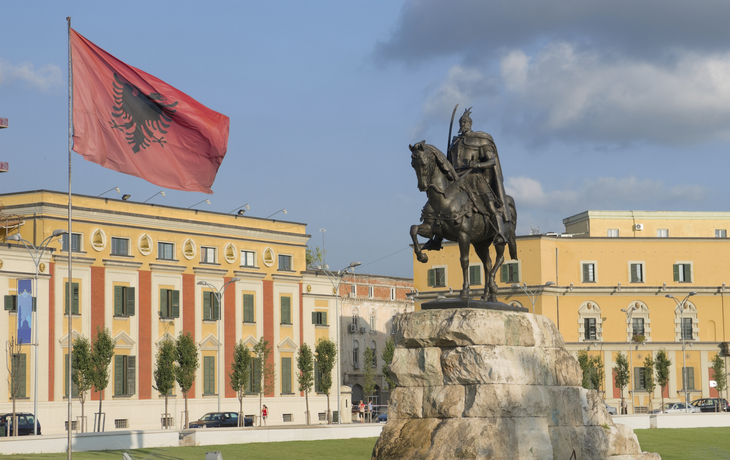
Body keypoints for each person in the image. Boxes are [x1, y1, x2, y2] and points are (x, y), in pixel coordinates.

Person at [446, 107, 510, 243]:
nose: (463, 125)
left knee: (491, 206)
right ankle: (436, 238)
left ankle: (500, 234)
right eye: (461, 123)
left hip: (475, 178)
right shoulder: (454, 143)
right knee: (442, 202)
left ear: (470, 124)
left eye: (465, 123)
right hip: (457, 180)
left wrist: (478, 165)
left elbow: (492, 161)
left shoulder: (480, 140)